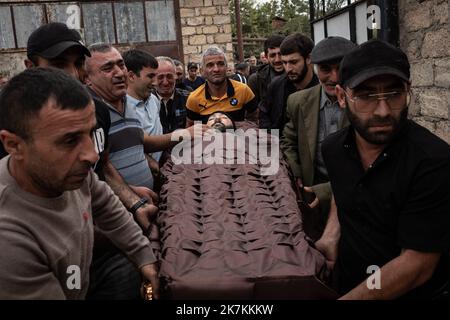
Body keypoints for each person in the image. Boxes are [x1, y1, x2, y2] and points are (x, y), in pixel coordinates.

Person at [0, 68, 159, 299]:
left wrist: (143, 256)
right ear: (14, 145)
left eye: (90, 133)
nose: (92, 155)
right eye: (70, 140)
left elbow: (107, 206)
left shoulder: (70, 173)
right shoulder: (8, 240)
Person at [317, 39, 450, 299]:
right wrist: (332, 234)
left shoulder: (433, 162)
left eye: (393, 94)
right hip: (350, 282)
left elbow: (417, 265)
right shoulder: (333, 149)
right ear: (342, 97)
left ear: (408, 91)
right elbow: (342, 188)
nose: (383, 111)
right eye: (366, 96)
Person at [281, 37, 356, 239]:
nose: (334, 77)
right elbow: (288, 141)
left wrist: (323, 192)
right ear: (315, 69)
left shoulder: (363, 104)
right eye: (325, 69)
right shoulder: (298, 101)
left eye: (340, 68)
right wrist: (297, 179)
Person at [260, 33, 318, 131]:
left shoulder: (321, 88)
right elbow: (264, 113)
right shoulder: (276, 85)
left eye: (293, 62)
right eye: (285, 62)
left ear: (308, 58)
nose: (288, 69)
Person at [186, 46, 257, 125]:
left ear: (226, 67)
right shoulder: (194, 99)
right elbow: (192, 131)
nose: (216, 69)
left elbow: (256, 120)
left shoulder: (243, 90)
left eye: (220, 64)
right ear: (202, 71)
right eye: (210, 65)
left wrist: (241, 127)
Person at [123, 49, 163, 164]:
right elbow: (145, 143)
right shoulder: (123, 108)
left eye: (156, 76)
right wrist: (185, 134)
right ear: (131, 76)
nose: (155, 82)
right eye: (150, 76)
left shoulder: (154, 100)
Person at [248, 34, 285, 117]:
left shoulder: (296, 75)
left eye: (281, 54)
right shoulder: (256, 80)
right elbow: (253, 113)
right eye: (273, 55)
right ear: (266, 57)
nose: (277, 59)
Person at [155, 56, 188, 134]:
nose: (165, 82)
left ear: (175, 76)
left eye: (169, 76)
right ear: (153, 78)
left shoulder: (189, 99)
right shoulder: (146, 103)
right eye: (160, 77)